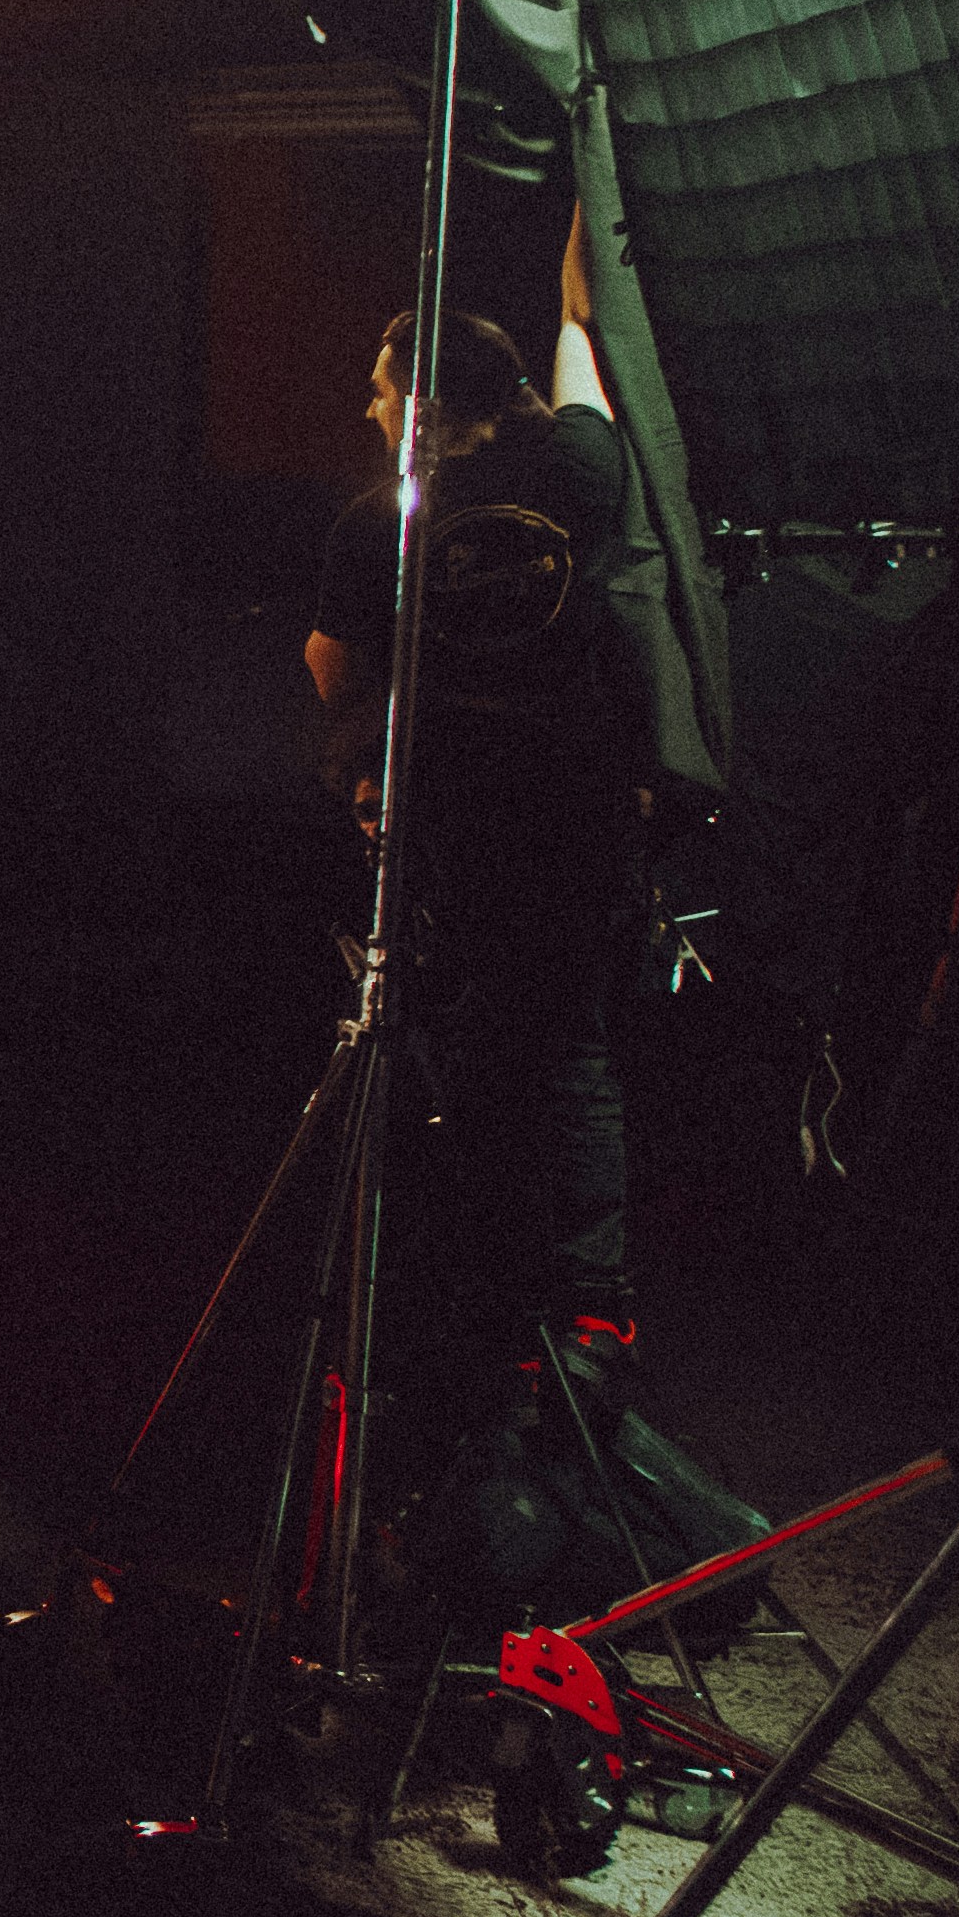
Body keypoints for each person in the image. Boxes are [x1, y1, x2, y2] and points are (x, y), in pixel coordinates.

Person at [306, 304, 660, 1464]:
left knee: (463, 1054)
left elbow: (331, 667)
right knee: (572, 1049)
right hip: (581, 810)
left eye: (379, 390)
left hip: (455, 822)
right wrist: (579, 275)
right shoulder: (581, 469)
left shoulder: (387, 519)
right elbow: (581, 350)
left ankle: (478, 1304)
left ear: (419, 406)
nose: (367, 409)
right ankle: (588, 1307)